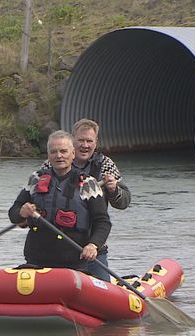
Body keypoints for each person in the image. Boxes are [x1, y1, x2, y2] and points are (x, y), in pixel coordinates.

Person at [8, 130, 111, 275]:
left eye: (63, 151)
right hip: (37, 261)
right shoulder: (36, 179)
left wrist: (93, 245)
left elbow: (103, 222)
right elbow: (13, 213)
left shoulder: (88, 183)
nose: (59, 156)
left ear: (73, 154)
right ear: (48, 155)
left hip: (74, 263)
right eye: (53, 152)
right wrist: (21, 212)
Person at [41, 118, 131, 281]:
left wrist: (113, 189)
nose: (85, 145)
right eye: (80, 140)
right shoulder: (52, 164)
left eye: (89, 141)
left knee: (103, 295)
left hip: (93, 246)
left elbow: (124, 202)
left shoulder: (105, 165)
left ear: (96, 143)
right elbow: (35, 196)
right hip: (56, 249)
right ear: (72, 141)